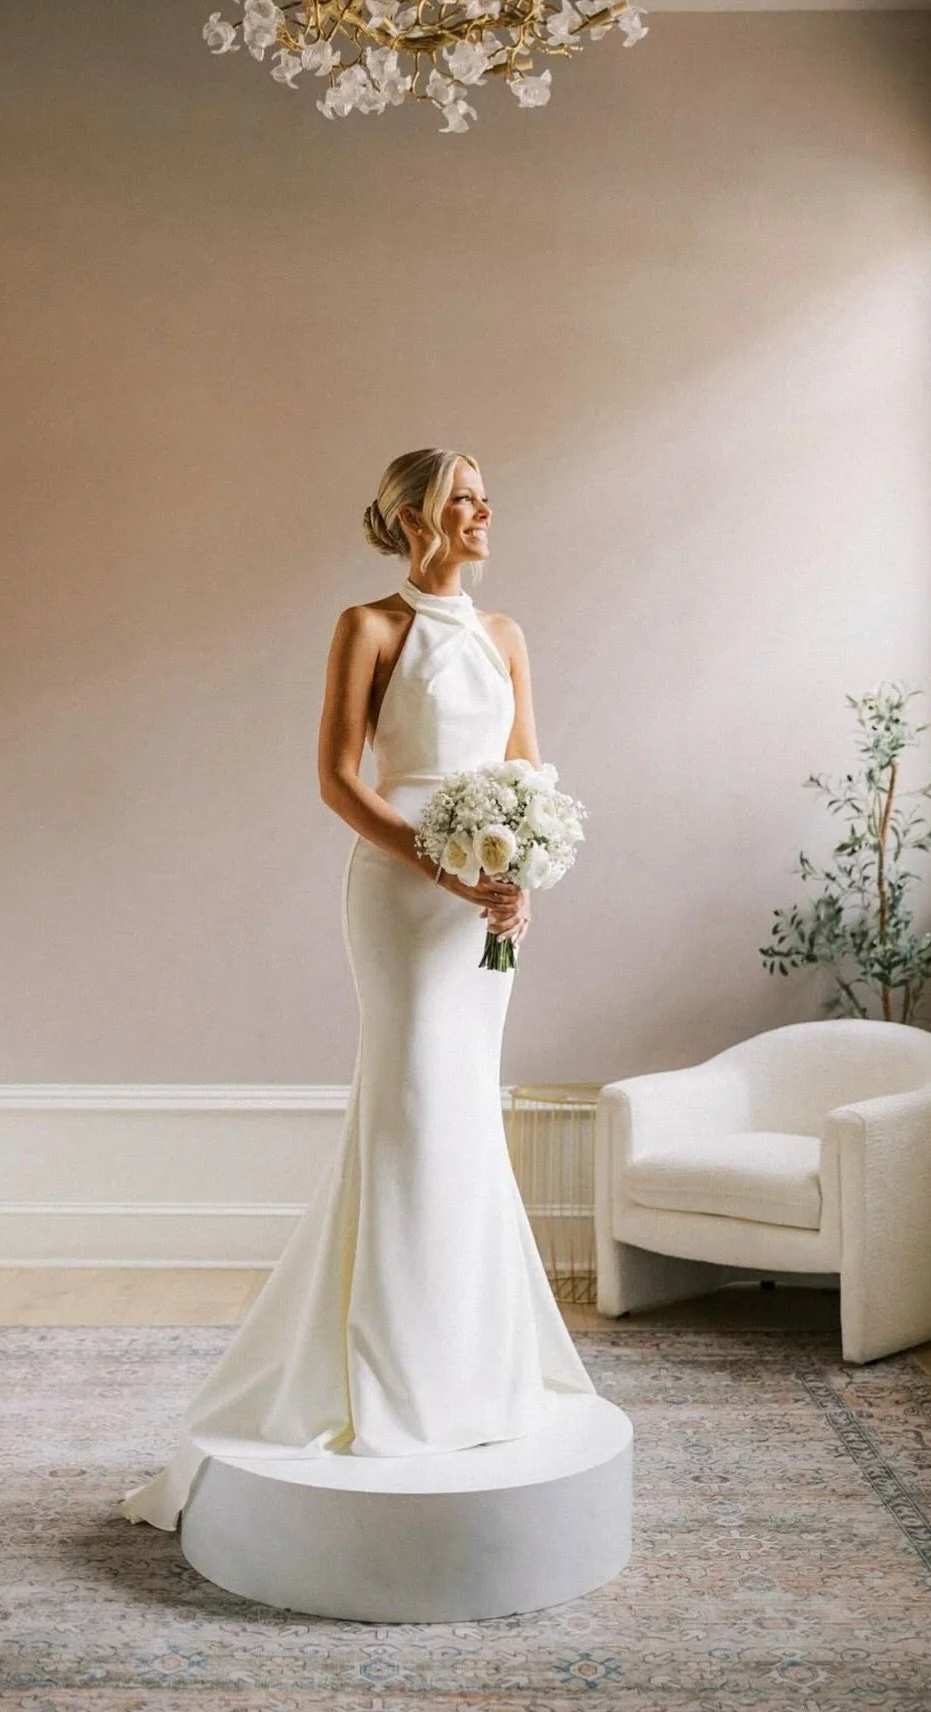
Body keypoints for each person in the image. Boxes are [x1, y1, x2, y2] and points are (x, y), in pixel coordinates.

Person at [120, 448, 594, 1531]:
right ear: (418, 513)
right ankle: (389, 1378)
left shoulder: (508, 634)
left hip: (482, 900)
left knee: (466, 1112)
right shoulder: (370, 624)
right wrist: (448, 865)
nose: (484, 512)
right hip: (401, 888)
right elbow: (339, 778)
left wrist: (517, 883)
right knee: (413, 1108)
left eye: (485, 495)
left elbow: (528, 770)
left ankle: (476, 1371)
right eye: (463, 497)